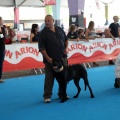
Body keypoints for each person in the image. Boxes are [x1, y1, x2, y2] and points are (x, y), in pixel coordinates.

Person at [38, 15, 68, 103]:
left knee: (63, 77)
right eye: (45, 21)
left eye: (48, 21)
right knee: (49, 78)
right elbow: (41, 48)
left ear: (53, 21)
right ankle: (47, 96)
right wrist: (48, 58)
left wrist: (66, 48)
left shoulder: (60, 29)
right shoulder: (43, 33)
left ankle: (62, 93)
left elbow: (66, 40)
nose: (47, 22)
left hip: (62, 58)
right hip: (51, 60)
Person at [0, 17, 6, 83]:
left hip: (2, 48)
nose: (3, 21)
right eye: (2, 20)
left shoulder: (3, 29)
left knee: (0, 63)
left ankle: (0, 77)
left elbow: (4, 38)